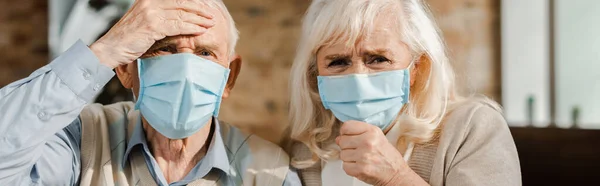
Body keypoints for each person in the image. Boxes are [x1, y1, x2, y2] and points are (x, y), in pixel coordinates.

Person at [0, 0, 300, 185]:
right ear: (126, 69)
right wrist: (104, 51)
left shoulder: (269, 171)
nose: (185, 68)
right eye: (165, 48)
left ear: (229, 77)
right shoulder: (82, 140)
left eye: (205, 53)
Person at [286, 0, 521, 186]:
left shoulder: (472, 128)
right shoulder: (306, 147)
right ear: (314, 74)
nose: (357, 77)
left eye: (378, 59)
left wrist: (396, 178)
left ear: (418, 68)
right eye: (338, 62)